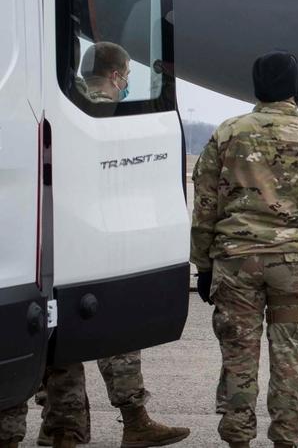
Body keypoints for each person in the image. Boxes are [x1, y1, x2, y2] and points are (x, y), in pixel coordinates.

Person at [16, 44, 190, 448]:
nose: (127, 84)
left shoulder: (63, 103)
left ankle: (60, 428)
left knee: (56, 348)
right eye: (127, 76)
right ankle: (133, 419)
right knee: (117, 335)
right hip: (99, 242)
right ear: (117, 76)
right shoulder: (110, 113)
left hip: (48, 248)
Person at [191, 51, 298, 448]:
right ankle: (286, 439)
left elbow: (205, 204)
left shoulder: (228, 133)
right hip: (297, 266)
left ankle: (238, 439)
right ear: (295, 90)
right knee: (291, 360)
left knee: (239, 359)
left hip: (236, 262)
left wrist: (203, 263)